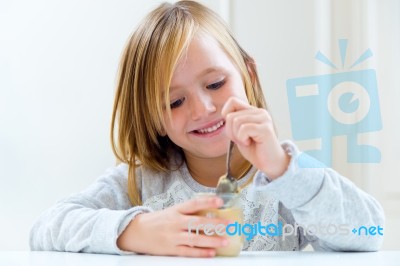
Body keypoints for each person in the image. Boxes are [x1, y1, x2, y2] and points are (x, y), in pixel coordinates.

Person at [29, 0, 384, 257]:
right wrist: (136, 231)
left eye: (215, 84)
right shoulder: (140, 182)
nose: (203, 109)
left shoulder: (286, 177)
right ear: (151, 116)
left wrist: (283, 168)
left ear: (249, 74)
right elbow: (47, 227)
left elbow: (369, 231)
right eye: (173, 103)